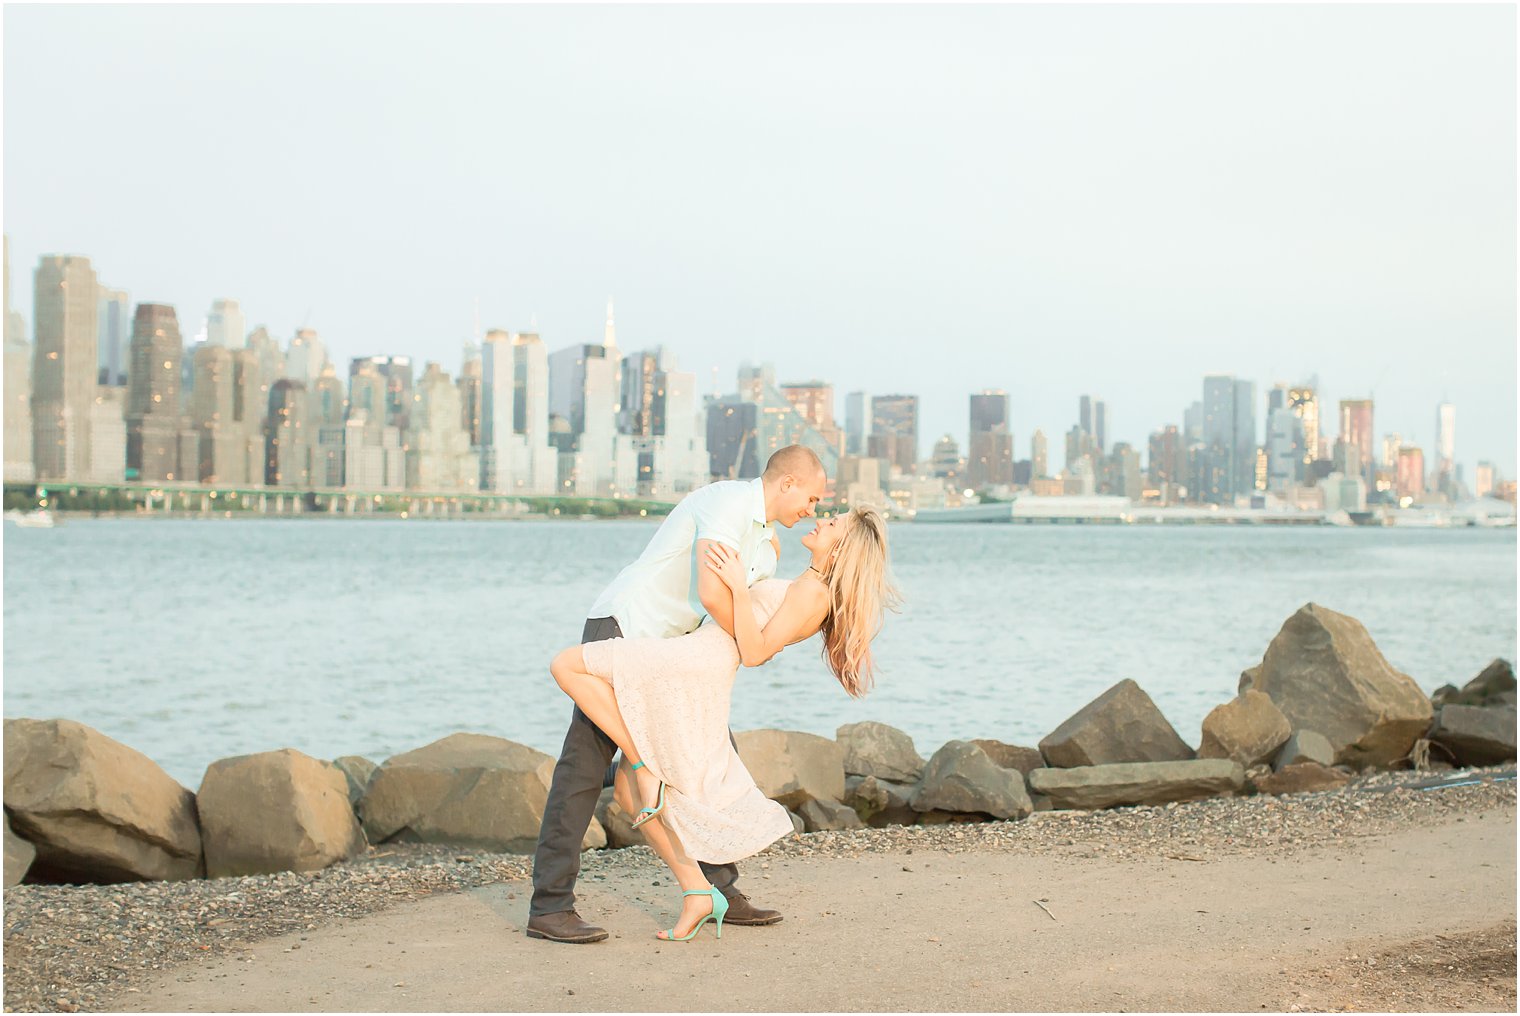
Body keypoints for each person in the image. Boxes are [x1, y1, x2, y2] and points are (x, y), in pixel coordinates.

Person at [547, 503, 897, 941]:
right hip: (701, 662)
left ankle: (641, 761)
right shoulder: (807, 583)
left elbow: (755, 652)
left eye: (834, 523)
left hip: (698, 663)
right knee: (627, 795)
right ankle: (697, 891)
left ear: (842, 546)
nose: (822, 519)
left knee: (566, 665)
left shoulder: (815, 593)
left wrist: (733, 583)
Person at [526, 445, 829, 944]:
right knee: (583, 766)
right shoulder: (729, 503)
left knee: (708, 754)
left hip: (671, 652)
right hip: (624, 629)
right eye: (812, 498)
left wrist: (743, 644)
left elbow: (734, 612)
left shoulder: (767, 543)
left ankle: (719, 890)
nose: (813, 510)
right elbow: (714, 595)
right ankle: (550, 907)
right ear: (787, 483)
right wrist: (750, 645)